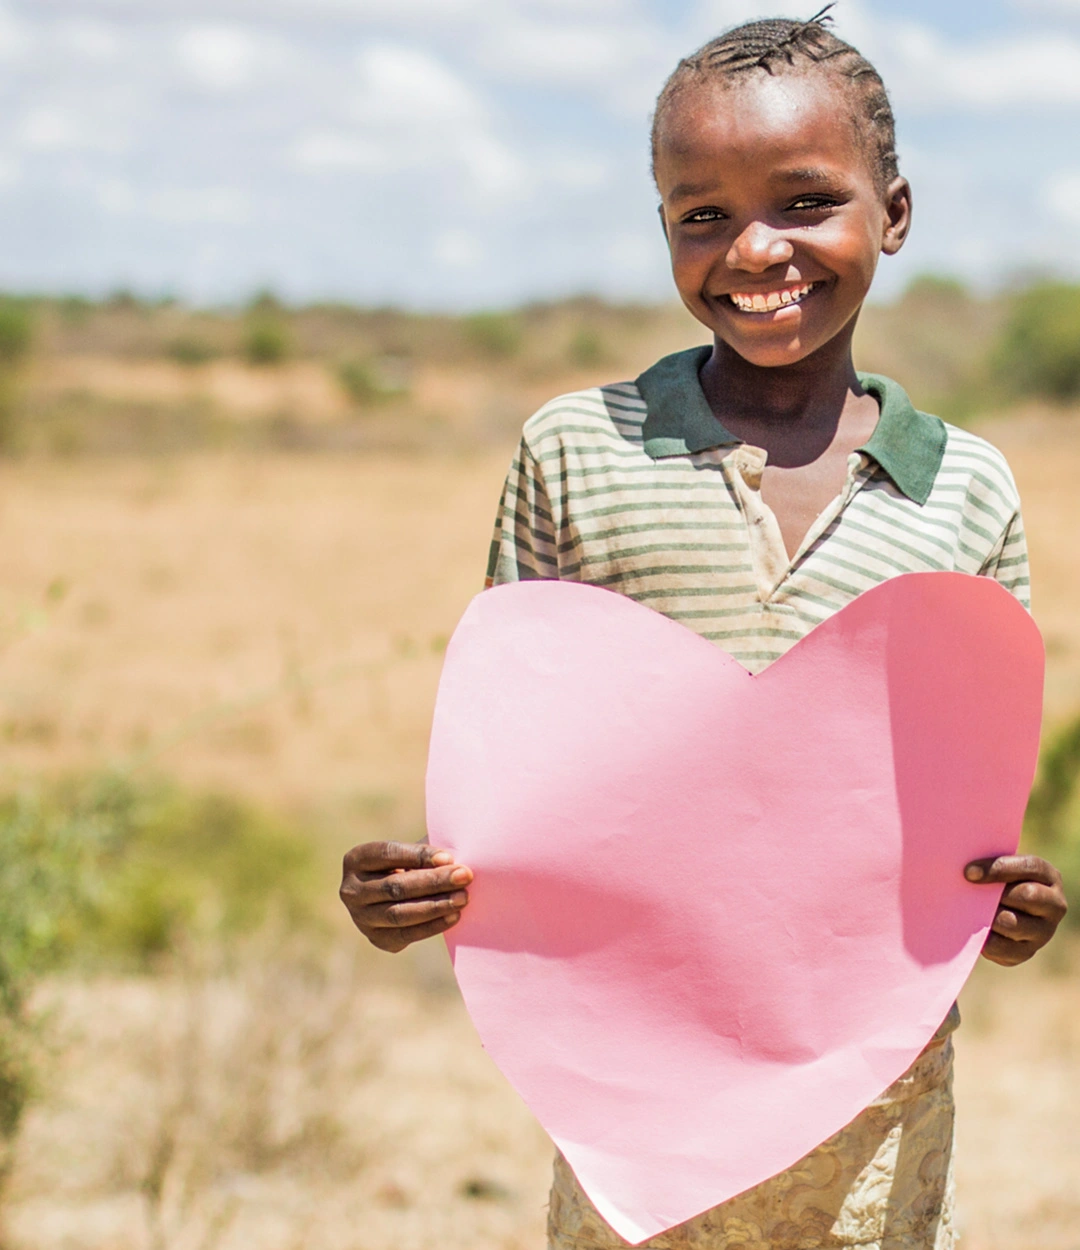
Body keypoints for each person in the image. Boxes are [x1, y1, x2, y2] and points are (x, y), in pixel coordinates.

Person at [340, 10, 1068, 1249]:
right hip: (631, 1107)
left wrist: (1008, 910)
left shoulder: (968, 491)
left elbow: (962, 823)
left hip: (875, 1112)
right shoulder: (577, 453)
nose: (756, 249)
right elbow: (523, 782)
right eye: (703, 215)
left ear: (893, 212)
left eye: (805, 201)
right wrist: (425, 887)